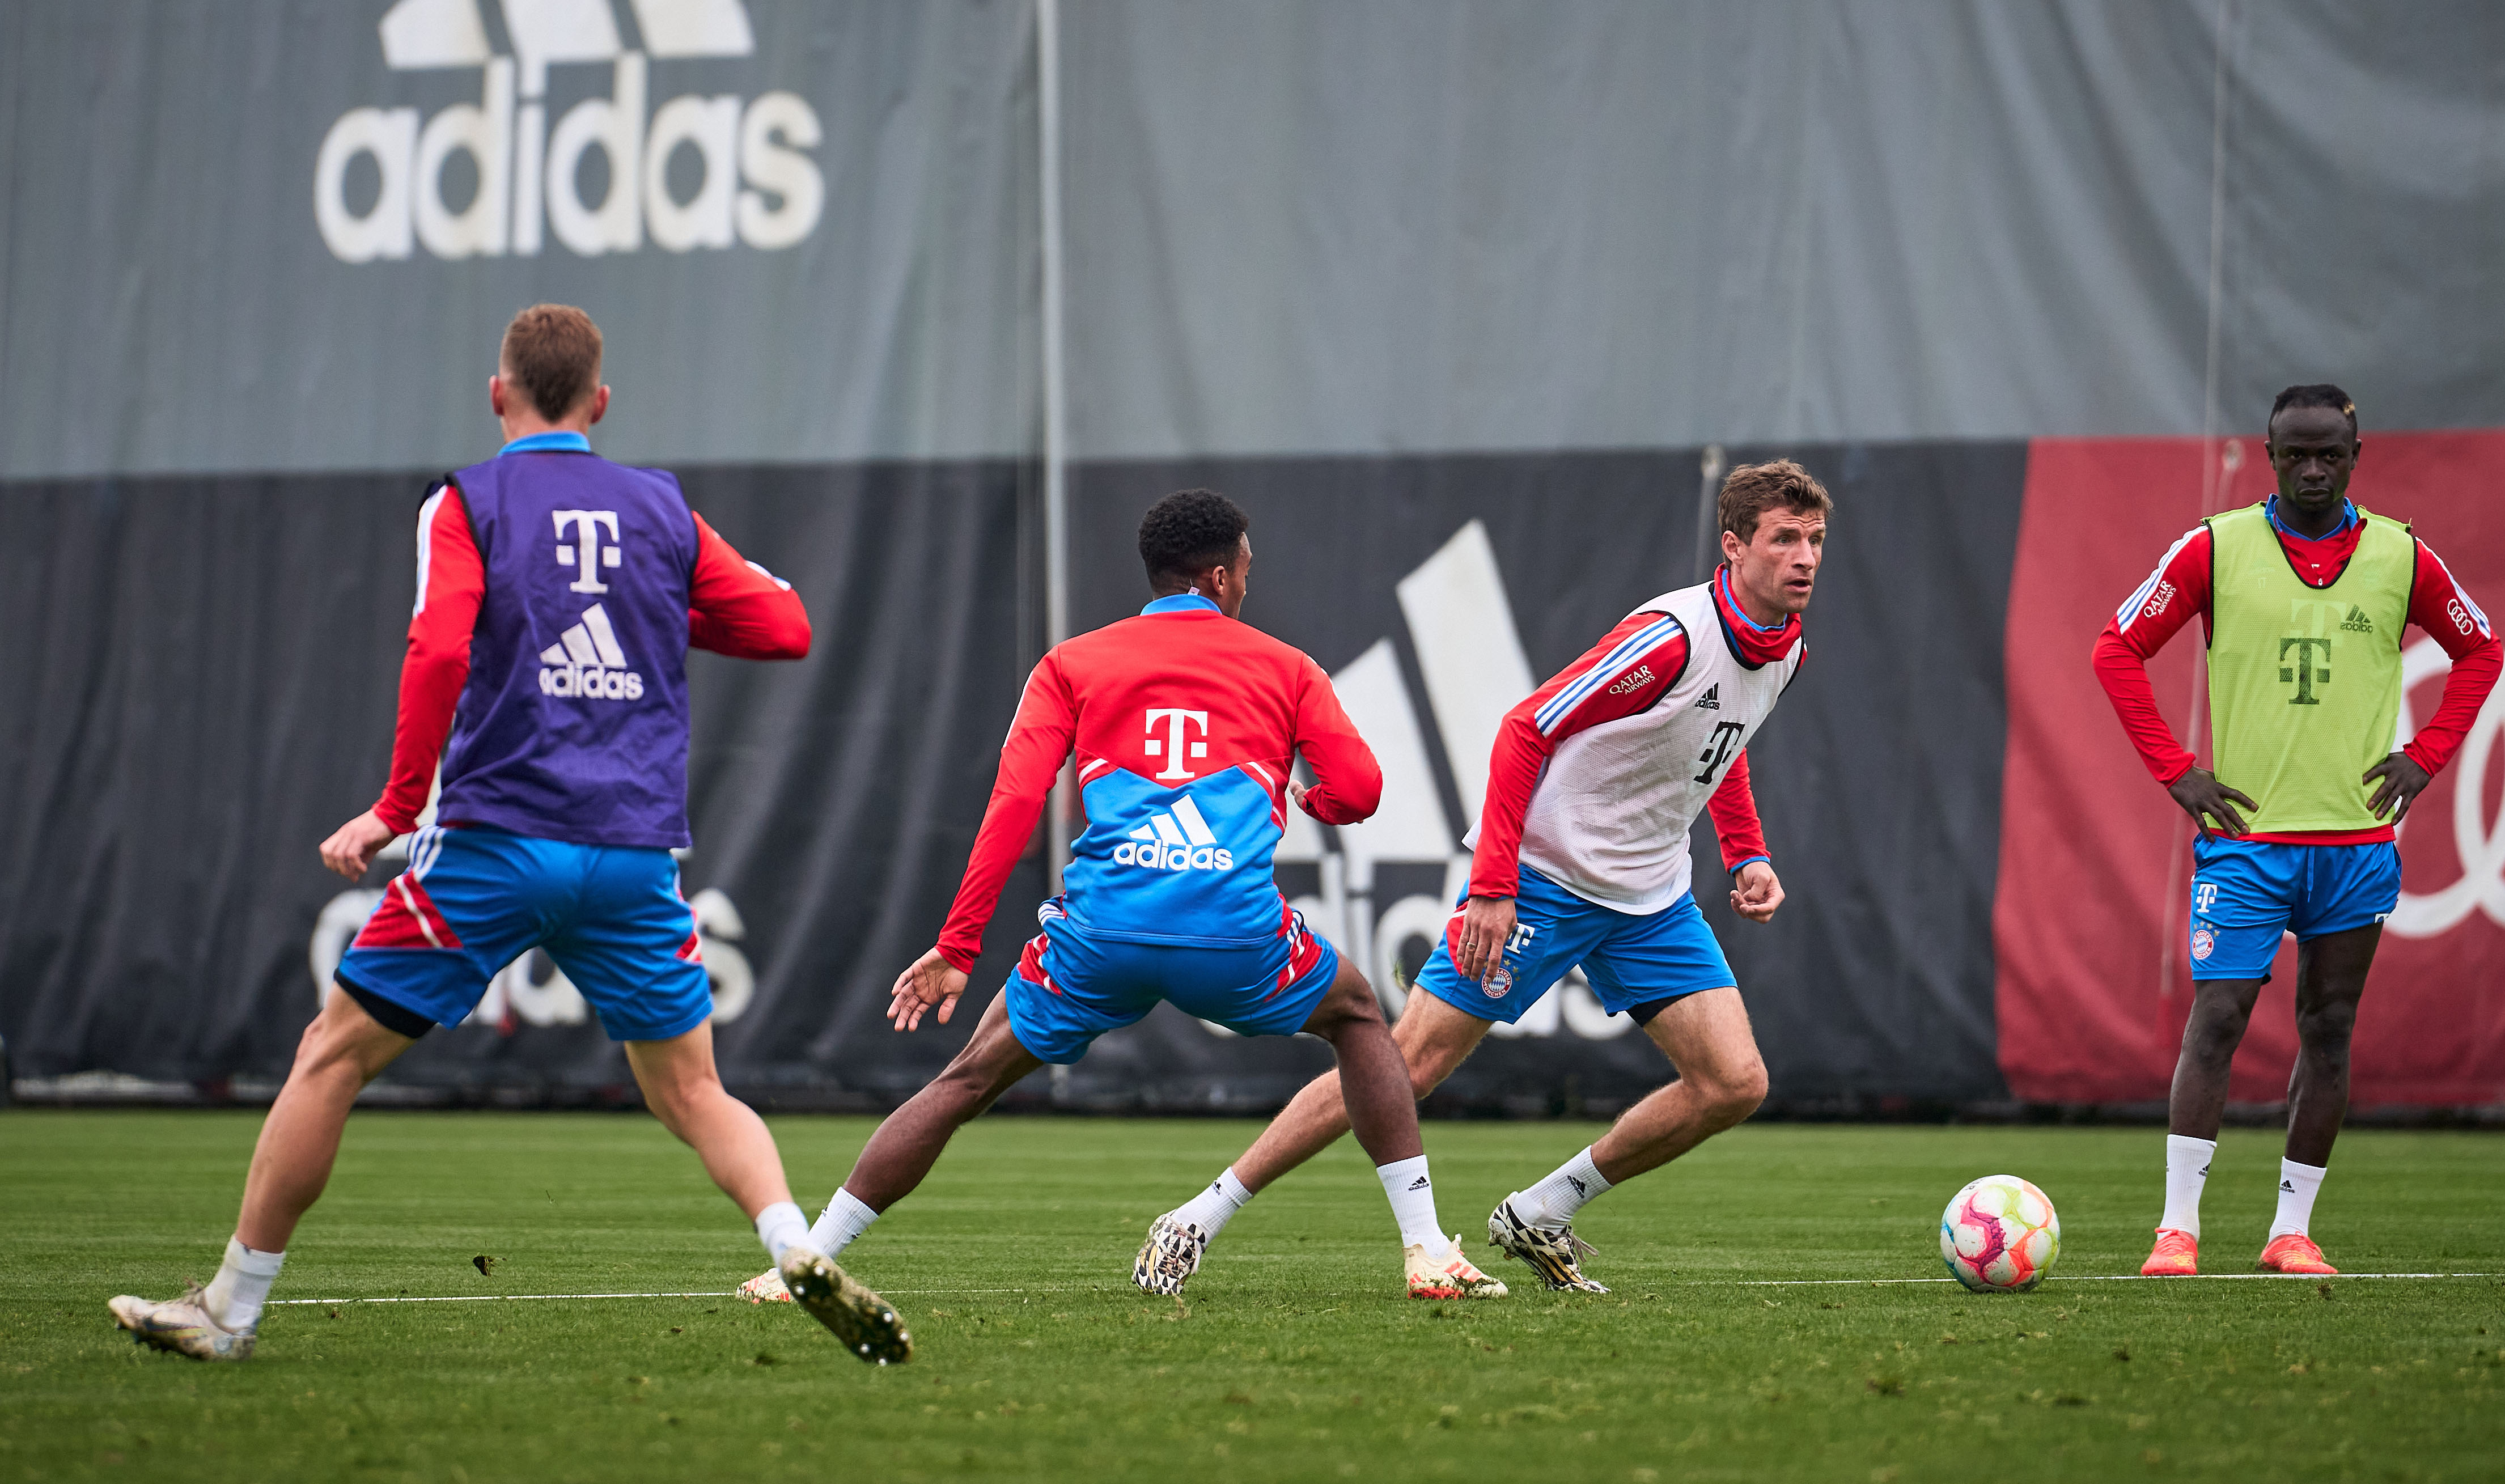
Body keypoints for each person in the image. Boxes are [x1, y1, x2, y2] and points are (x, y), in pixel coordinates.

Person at [109, 305, 906, 1366]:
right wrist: (649, 605)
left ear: (500, 394)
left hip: (496, 841)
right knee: (696, 1091)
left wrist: (396, 809)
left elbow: (439, 648)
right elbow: (784, 625)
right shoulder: (657, 507)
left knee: (330, 1057)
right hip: (631, 855)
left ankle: (231, 1309)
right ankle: (792, 1242)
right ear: (600, 402)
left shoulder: (469, 501)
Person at [740, 489, 1507, 1303]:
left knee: (962, 1082)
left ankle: (809, 1261)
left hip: (1101, 935)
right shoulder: (1286, 665)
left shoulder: (1071, 662)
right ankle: (1425, 1249)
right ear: (1217, 575)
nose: (1249, 579)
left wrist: (958, 946)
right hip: (1232, 935)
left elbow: (1012, 806)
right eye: (1246, 565)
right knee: (1357, 1019)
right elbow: (1359, 789)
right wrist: (1307, 801)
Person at [1137, 460, 1824, 1296]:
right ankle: (1197, 1216)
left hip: (1648, 898)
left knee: (1733, 1083)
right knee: (1404, 1066)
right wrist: (1493, 885)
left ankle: (1541, 1210)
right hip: (1540, 876)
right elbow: (1524, 729)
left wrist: (1745, 852)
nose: (1804, 557)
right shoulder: (1671, 637)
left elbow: (1724, 742)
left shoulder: (1782, 645)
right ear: (1732, 546)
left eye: (1814, 539)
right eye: (1783, 538)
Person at [2095, 384, 2503, 1277]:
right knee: (2218, 1021)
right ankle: (2177, 1230)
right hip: (2248, 842)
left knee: (2328, 1028)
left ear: (2355, 456)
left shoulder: (2401, 554)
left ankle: (2291, 1230)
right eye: (2295, 455)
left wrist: (2426, 754)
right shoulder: (2213, 547)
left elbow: (2482, 650)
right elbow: (2115, 648)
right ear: (2270, 455)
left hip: (2354, 848)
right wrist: (2175, 769)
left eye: (2329, 454)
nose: (2312, 470)